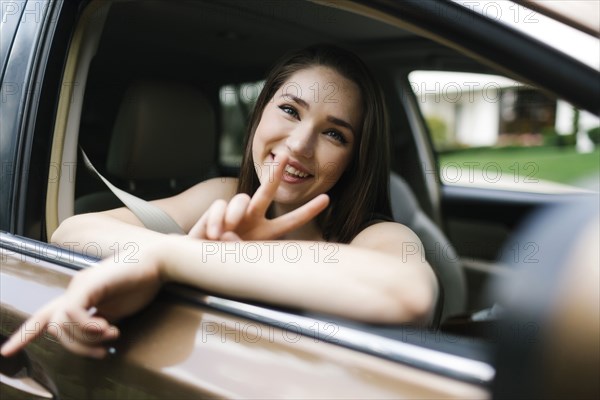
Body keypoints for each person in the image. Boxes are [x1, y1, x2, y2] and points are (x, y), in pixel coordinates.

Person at [1, 44, 438, 359]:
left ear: (354, 158)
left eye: (334, 133)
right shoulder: (224, 195)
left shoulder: (378, 233)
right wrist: (187, 252)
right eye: (290, 110)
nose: (299, 145)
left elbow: (407, 294)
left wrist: (174, 260)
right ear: (260, 114)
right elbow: (72, 233)